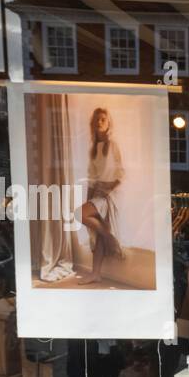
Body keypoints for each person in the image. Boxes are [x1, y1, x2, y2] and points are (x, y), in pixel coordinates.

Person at [74, 107, 126, 285]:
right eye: (96, 120)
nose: (99, 122)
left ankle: (110, 238)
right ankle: (96, 273)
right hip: (97, 194)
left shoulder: (113, 145)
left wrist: (108, 189)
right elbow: (91, 179)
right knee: (96, 233)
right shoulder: (93, 149)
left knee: (79, 214)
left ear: (108, 123)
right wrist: (89, 199)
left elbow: (121, 173)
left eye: (103, 119)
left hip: (111, 194)